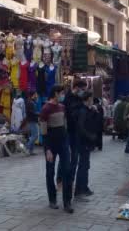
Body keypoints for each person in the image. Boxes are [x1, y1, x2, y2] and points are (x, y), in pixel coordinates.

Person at [39, 85, 73, 213]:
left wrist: (68, 144)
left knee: (67, 171)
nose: (63, 95)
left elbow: (65, 127)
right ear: (55, 93)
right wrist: (47, 149)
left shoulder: (62, 107)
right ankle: (52, 199)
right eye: (61, 93)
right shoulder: (45, 109)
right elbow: (43, 131)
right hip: (51, 144)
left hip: (63, 142)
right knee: (50, 172)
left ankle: (67, 202)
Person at [57, 80, 87, 187]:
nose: (83, 91)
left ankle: (71, 179)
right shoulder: (67, 98)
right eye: (82, 89)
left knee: (75, 157)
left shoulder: (80, 99)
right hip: (67, 131)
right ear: (77, 88)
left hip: (76, 131)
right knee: (64, 155)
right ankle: (60, 178)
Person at [73, 92, 97, 199]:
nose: (92, 100)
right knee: (83, 166)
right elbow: (81, 127)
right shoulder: (82, 111)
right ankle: (79, 190)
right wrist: (90, 136)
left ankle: (84, 187)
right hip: (83, 142)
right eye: (91, 98)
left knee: (85, 165)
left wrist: (94, 111)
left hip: (85, 141)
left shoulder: (87, 110)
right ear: (88, 99)